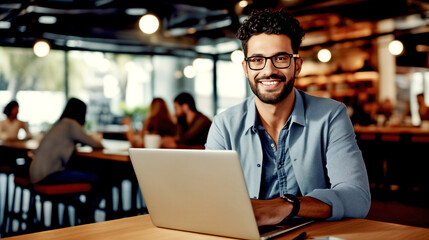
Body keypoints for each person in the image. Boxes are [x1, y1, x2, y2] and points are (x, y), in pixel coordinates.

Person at [205, 8, 370, 226]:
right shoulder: (224, 124)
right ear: (246, 68)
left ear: (297, 65)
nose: (268, 70)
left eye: (280, 58)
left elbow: (357, 198)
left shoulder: (331, 116)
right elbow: (209, 199)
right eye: (257, 60)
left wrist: (286, 205)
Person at [29, 98, 103, 185]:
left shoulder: (59, 124)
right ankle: (86, 199)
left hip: (35, 174)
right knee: (96, 177)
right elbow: (96, 145)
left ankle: (74, 198)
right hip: (48, 175)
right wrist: (95, 138)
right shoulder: (70, 124)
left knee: (79, 171)